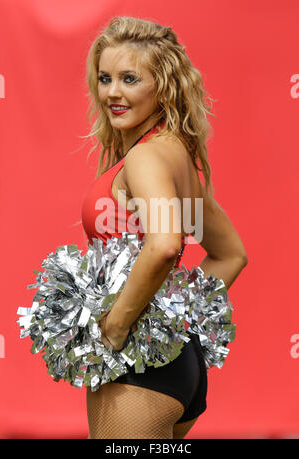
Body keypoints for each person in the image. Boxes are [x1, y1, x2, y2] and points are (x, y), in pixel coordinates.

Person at [81, 16, 248, 439]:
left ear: (164, 86)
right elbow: (230, 254)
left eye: (129, 78)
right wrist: (176, 321)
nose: (112, 92)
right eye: (105, 78)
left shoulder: (146, 159)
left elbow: (163, 245)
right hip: (178, 366)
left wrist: (117, 327)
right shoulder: (178, 155)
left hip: (139, 370)